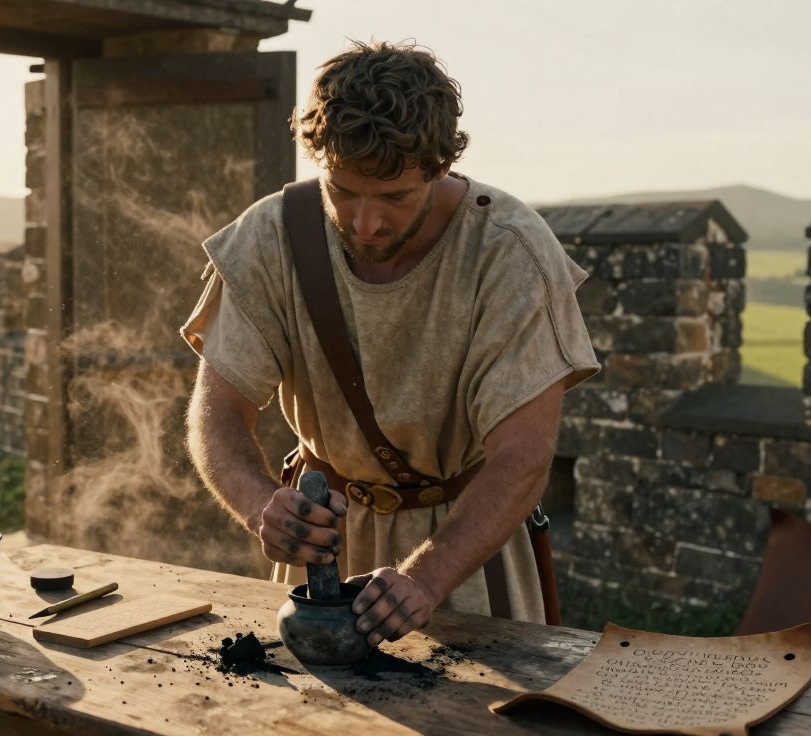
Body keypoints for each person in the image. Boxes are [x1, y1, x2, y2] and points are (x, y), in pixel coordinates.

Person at [182, 40, 599, 648]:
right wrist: (258, 505)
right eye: (343, 192)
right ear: (318, 159)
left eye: (395, 197)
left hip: (468, 550)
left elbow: (522, 454)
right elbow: (217, 412)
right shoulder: (271, 238)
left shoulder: (509, 253)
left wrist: (426, 579)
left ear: (439, 167)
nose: (365, 223)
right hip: (323, 552)